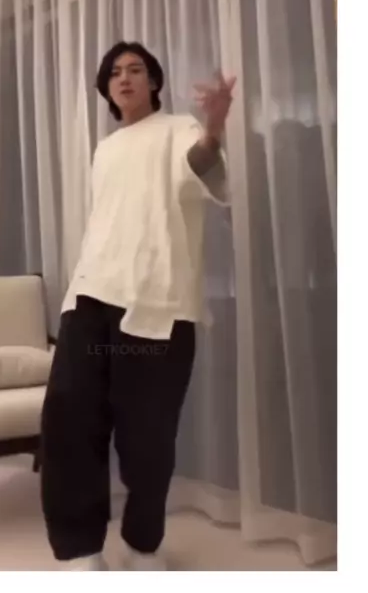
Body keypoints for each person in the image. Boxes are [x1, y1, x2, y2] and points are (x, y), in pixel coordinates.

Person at [40, 41, 235, 571]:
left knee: (148, 436)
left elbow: (199, 163)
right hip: (90, 294)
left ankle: (142, 542)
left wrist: (214, 128)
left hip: (158, 301)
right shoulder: (105, 150)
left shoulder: (179, 129)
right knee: (69, 417)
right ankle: (82, 547)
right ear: (107, 89)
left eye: (136, 69)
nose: (125, 77)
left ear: (153, 82)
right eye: (115, 72)